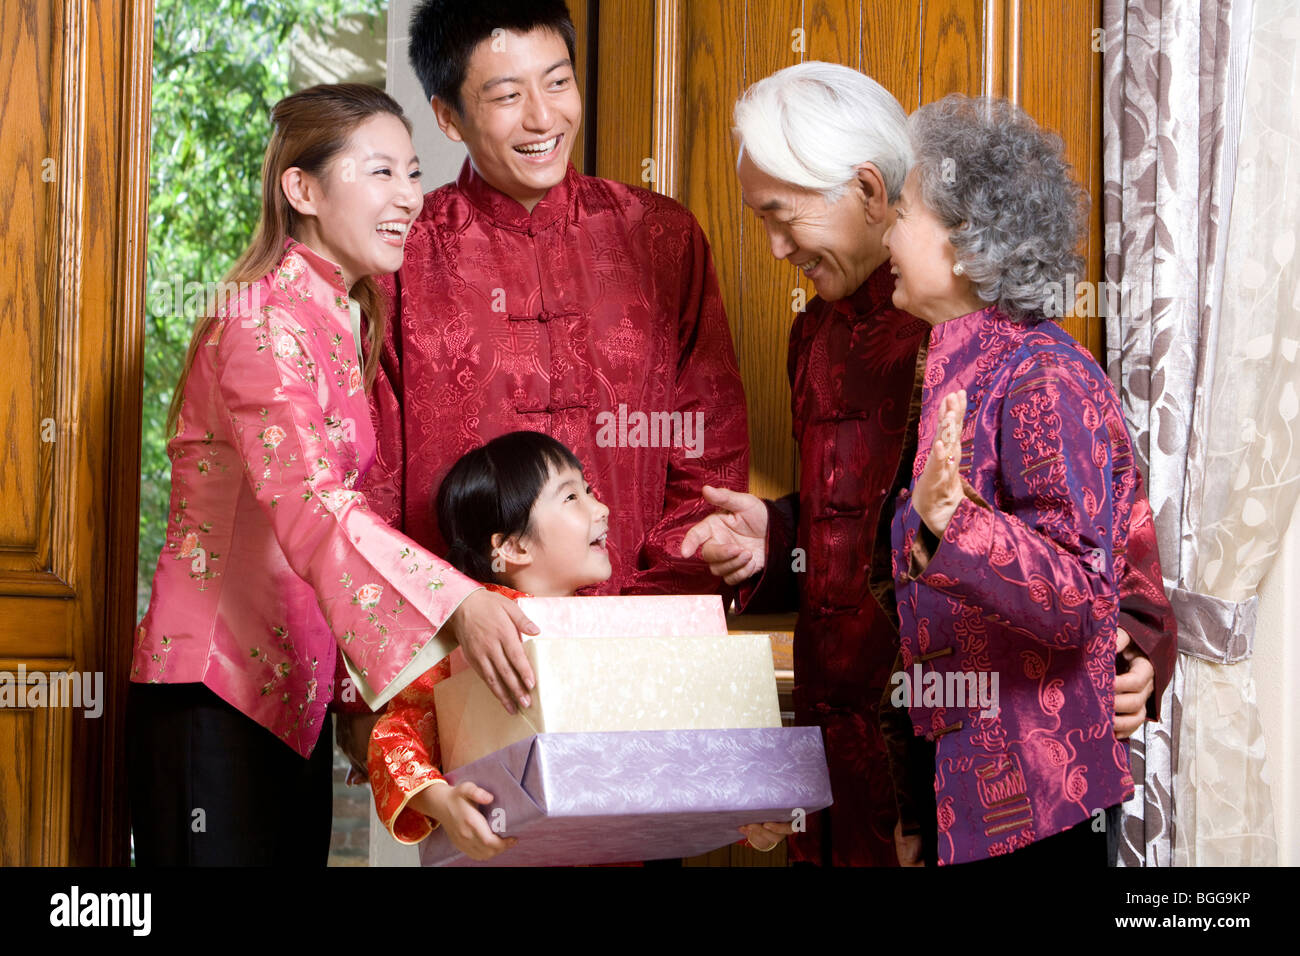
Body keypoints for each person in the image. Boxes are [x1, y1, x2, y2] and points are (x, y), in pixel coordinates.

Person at [681, 63, 1176, 866]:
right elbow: (879, 531)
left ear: (879, 196)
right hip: (884, 765)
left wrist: (1140, 650)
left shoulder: (1016, 355)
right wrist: (777, 536)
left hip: (1011, 782)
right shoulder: (828, 339)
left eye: (781, 214)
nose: (772, 247)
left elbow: (1101, 560)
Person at [346, 0, 749, 736]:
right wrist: (449, 626)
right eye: (506, 96)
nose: (542, 118)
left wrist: (646, 622)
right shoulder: (400, 259)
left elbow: (707, 450)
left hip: (643, 668)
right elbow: (369, 482)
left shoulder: (662, 240)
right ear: (448, 116)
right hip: (470, 667)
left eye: (557, 83)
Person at [127, 84, 503, 865]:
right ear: (302, 189)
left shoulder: (338, 317)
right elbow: (312, 503)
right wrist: (456, 604)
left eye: (412, 174)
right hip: (214, 691)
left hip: (289, 707)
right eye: (380, 173)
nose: (408, 197)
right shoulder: (258, 320)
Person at [885, 93, 1147, 864]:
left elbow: (1083, 599)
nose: (885, 233)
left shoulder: (1044, 377)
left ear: (966, 244)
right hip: (961, 796)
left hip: (1040, 808)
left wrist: (957, 525)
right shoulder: (952, 369)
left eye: (901, 211)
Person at [368, 431, 792, 860]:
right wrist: (442, 802)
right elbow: (393, 738)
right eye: (572, 498)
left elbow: (665, 747)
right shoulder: (470, 636)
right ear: (513, 546)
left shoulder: (618, 630)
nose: (602, 507)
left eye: (588, 490)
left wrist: (745, 814)